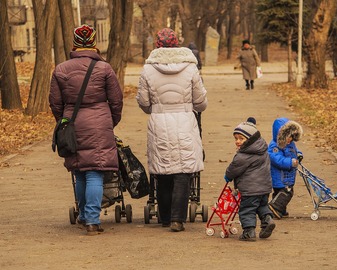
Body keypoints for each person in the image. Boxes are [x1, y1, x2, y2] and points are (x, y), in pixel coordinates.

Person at [49, 24, 123, 236]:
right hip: (99, 123)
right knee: (95, 173)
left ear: (74, 44)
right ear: (93, 44)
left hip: (72, 123)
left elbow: (55, 102)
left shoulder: (61, 69)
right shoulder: (104, 68)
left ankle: (83, 215)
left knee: (80, 172)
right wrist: (110, 121)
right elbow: (116, 101)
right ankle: (91, 220)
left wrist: (64, 123)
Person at [136, 28, 207, 232]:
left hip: (159, 122)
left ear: (157, 45)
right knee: (183, 170)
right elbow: (201, 102)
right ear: (177, 44)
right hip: (185, 121)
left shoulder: (148, 70)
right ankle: (178, 219)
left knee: (163, 170)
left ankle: (165, 217)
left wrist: (156, 109)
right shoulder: (191, 68)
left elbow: (143, 101)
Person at [224, 117, 275, 241]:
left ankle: (249, 232)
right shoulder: (263, 149)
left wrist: (228, 176)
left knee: (247, 209)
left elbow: (234, 168)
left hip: (250, 190)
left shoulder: (243, 155)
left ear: (250, 139)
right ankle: (267, 220)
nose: (237, 141)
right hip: (264, 188)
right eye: (236, 138)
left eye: (241, 138)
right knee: (261, 205)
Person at [268, 117, 303, 219]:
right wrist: (290, 162)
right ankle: (274, 207)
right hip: (280, 176)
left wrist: (299, 155)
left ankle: (281, 210)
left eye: (292, 137)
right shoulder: (274, 146)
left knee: (279, 193)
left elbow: (295, 151)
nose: (290, 140)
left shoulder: (291, 144)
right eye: (288, 137)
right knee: (287, 192)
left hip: (287, 175)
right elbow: (276, 159)